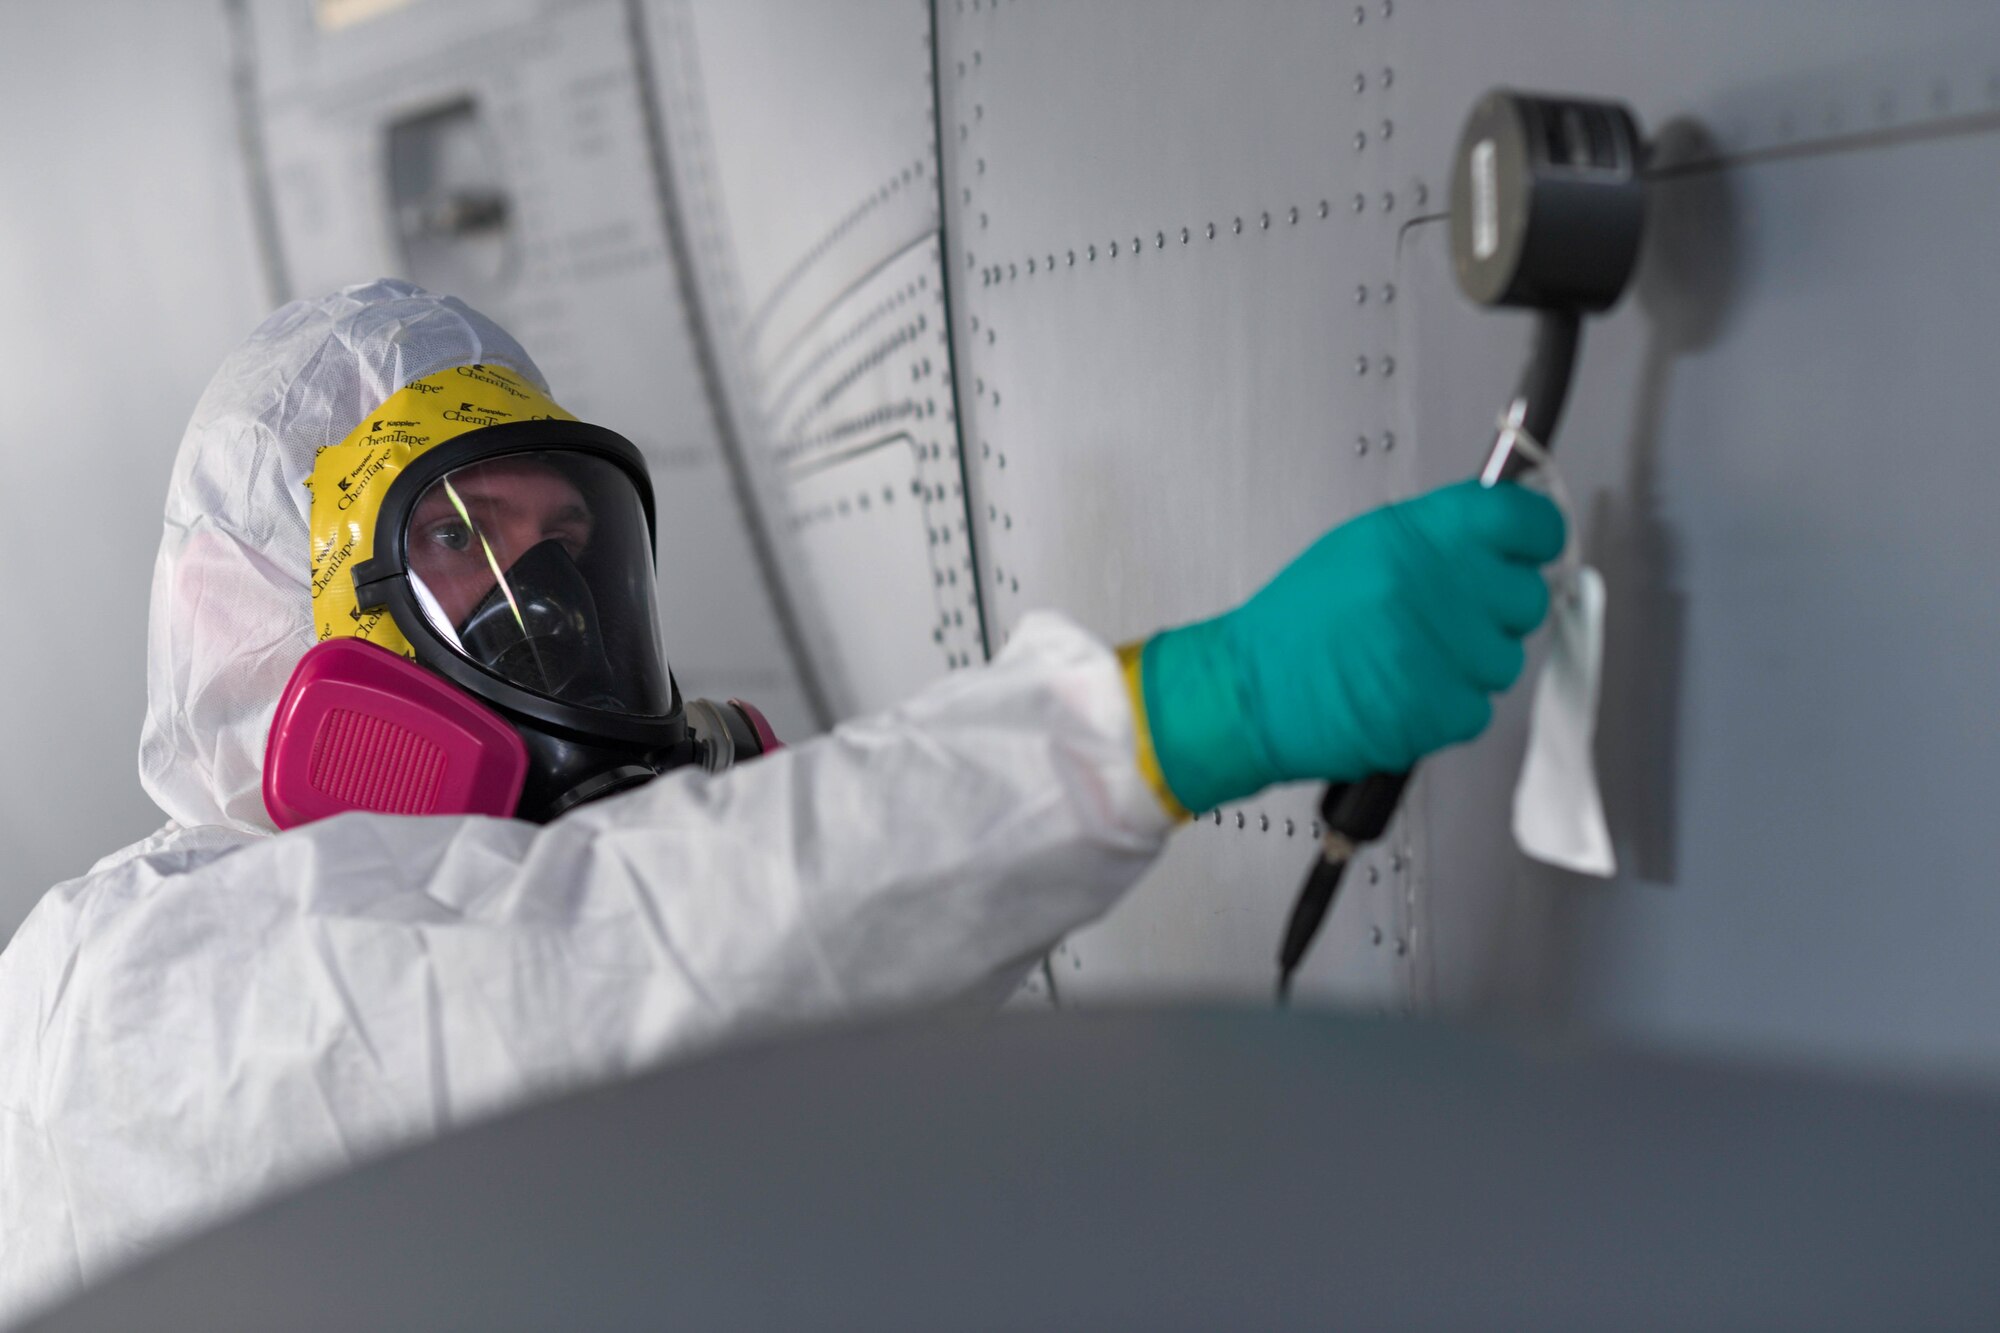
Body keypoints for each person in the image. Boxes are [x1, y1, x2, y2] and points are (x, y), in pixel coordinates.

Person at [0, 281, 1562, 1322]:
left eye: (573, 539)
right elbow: (585, 983)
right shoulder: (122, 999)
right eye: (469, 542)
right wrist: (1164, 720)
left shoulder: (553, 920)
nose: (546, 585)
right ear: (271, 628)